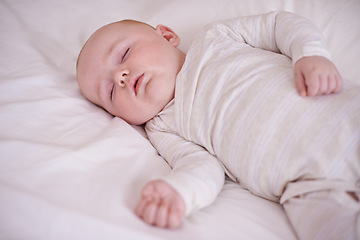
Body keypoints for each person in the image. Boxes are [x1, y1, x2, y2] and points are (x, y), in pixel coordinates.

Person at [76, 11, 360, 240]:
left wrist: (310, 54)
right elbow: (202, 168)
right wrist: (179, 193)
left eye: (124, 54)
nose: (121, 76)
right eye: (111, 92)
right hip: (307, 188)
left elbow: (278, 25)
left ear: (166, 35)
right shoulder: (163, 128)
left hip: (341, 117)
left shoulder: (214, 39)